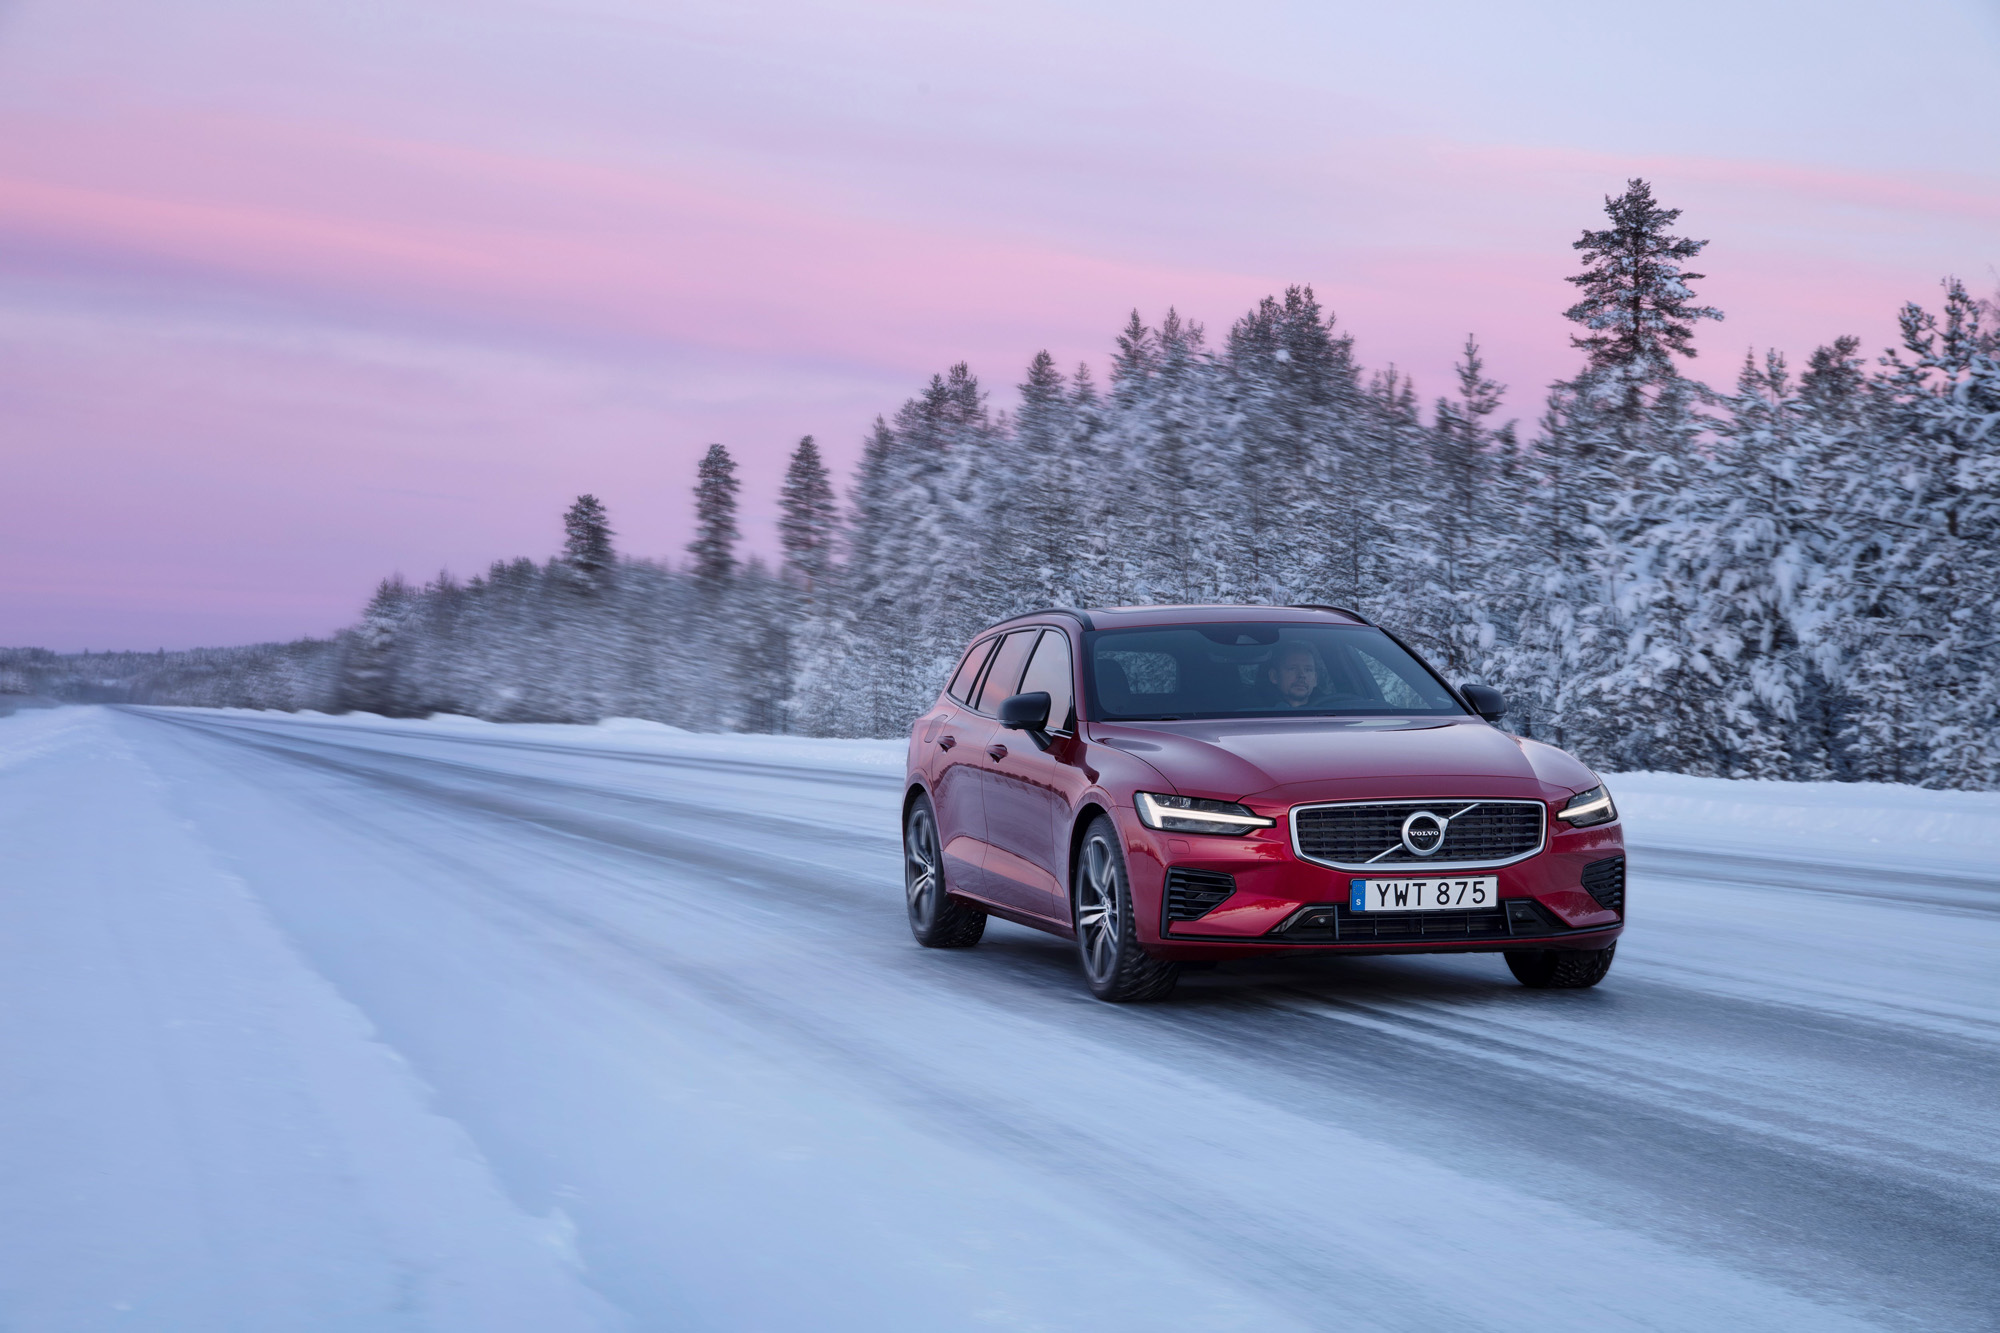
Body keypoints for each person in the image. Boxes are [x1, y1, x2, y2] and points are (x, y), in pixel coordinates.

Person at [1264, 642, 1321, 709]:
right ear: (1274, 676)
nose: (1302, 675)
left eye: (1308, 670)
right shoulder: (1256, 713)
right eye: (1292, 669)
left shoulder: (1332, 709)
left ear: (1315, 679)